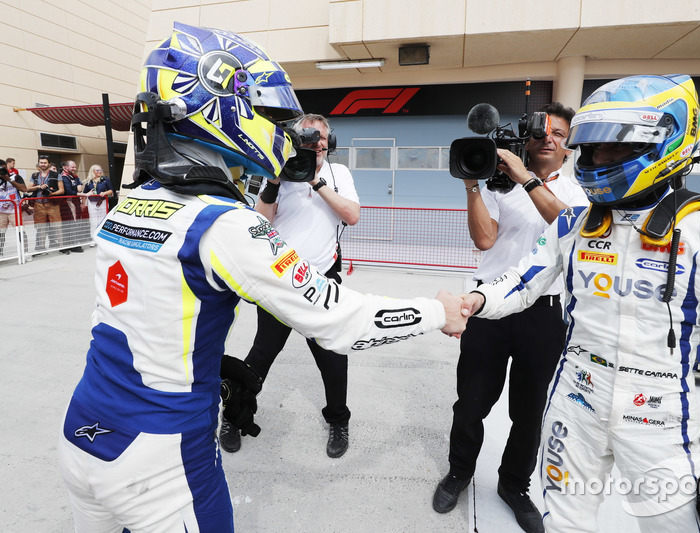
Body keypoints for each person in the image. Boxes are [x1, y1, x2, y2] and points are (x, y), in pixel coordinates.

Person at [57, 22, 467, 533]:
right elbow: (340, 321)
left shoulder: (129, 204)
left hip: (82, 432)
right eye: (269, 115)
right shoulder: (224, 223)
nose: (280, 132)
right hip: (160, 460)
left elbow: (129, 313)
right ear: (223, 109)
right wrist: (437, 311)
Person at [459, 74, 700, 533]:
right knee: (563, 523)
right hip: (574, 404)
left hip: (661, 422)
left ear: (670, 141)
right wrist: (475, 300)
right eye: (591, 149)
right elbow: (522, 280)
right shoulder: (571, 225)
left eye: (616, 148)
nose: (597, 159)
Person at [433, 103, 588, 533]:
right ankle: (460, 471)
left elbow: (568, 228)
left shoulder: (578, 193)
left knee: (529, 410)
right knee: (471, 403)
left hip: (544, 315)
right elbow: (484, 239)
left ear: (568, 145)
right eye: (540, 132)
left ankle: (514, 485)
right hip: (490, 306)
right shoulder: (501, 188)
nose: (548, 138)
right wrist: (473, 186)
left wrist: (526, 177)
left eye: (558, 133)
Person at [219, 113, 360, 458]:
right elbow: (259, 223)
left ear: (331, 141)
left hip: (321, 283)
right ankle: (234, 417)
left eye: (322, 139)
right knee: (261, 355)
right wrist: (274, 181)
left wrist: (316, 182)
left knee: (332, 357)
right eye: (309, 141)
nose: (317, 146)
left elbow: (352, 215)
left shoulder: (338, 174)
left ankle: (338, 421)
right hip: (280, 282)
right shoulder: (278, 172)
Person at [27, 155, 64, 252]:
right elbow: (28, 188)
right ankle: (41, 248)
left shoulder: (56, 175)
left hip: (52, 203)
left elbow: (62, 190)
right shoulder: (35, 175)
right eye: (41, 162)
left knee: (57, 226)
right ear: (39, 163)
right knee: (41, 227)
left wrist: (52, 194)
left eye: (45, 163)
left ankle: (61, 247)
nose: (43, 164)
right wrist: (39, 186)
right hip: (38, 204)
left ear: (49, 164)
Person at [0, 159, 27, 257]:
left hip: (14, 210)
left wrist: (9, 180)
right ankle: (0, 253)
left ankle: (25, 253)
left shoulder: (15, 177)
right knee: (0, 234)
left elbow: (24, 189)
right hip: (1, 211)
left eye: (3, 169)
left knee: (20, 231)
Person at [79, 164, 114, 233]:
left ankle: (101, 236)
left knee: (102, 220)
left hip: (102, 202)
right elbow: (85, 193)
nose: (99, 171)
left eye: (100, 170)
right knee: (93, 221)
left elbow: (111, 190)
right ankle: (93, 239)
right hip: (92, 203)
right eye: (97, 170)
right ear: (93, 171)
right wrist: (83, 203)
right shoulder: (89, 181)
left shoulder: (105, 179)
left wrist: (104, 193)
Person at [60, 160, 84, 253]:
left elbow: (80, 186)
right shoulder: (64, 177)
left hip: (75, 203)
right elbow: (69, 191)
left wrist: (79, 189)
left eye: (75, 167)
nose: (74, 169)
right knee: (69, 224)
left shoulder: (75, 177)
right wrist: (79, 191)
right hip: (67, 204)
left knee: (75, 223)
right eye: (72, 167)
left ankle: (74, 243)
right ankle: (69, 245)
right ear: (65, 167)